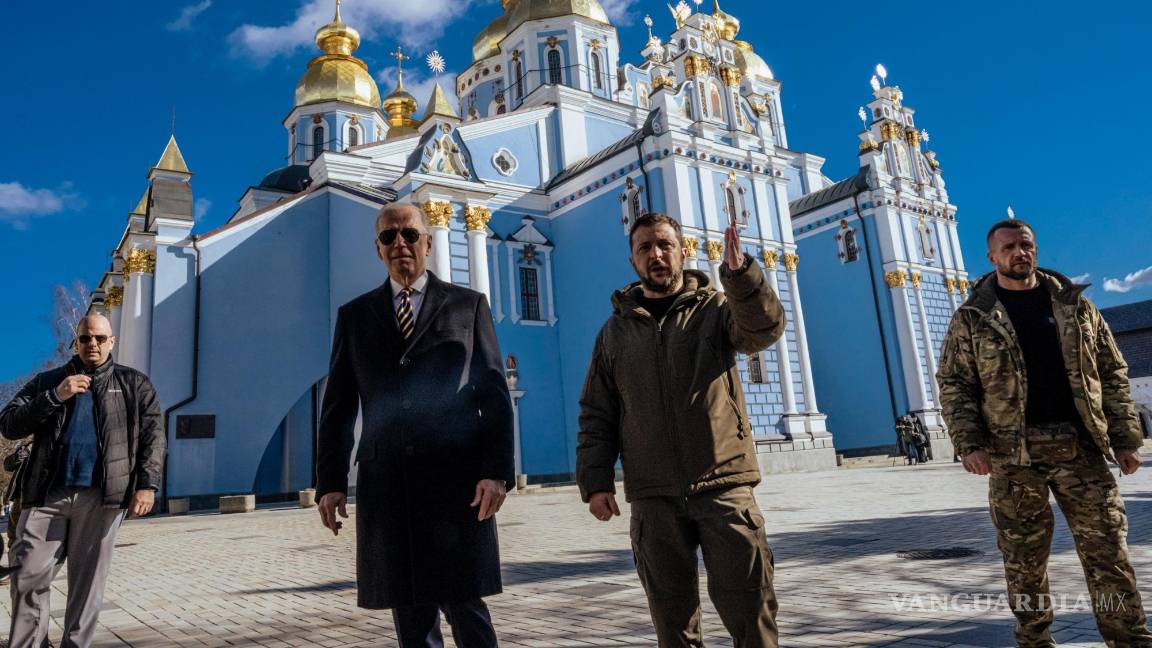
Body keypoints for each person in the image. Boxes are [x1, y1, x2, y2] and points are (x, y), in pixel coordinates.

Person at [937, 218, 1152, 647]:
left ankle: (1129, 639)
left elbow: (1111, 371)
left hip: (1081, 449)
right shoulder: (973, 317)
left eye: (1026, 244)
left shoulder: (1074, 306)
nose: (1020, 252)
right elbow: (955, 383)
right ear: (992, 257)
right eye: (1010, 247)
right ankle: (1035, 641)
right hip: (1013, 456)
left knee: (1108, 552)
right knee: (1024, 562)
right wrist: (970, 443)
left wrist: (1126, 439)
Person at [577, 213, 785, 647]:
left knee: (751, 613)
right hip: (654, 499)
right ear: (633, 260)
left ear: (682, 251)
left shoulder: (715, 311)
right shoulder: (614, 333)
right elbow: (598, 412)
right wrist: (596, 482)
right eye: (645, 248)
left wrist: (740, 276)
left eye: (665, 245)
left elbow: (763, 328)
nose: (656, 254)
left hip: (723, 488)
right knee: (672, 624)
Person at [315, 203, 514, 648]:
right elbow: (339, 405)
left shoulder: (468, 306)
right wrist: (329, 481)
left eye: (409, 235)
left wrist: (496, 471)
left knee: (466, 604)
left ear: (428, 243)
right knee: (410, 612)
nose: (400, 244)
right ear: (378, 249)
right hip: (389, 484)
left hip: (457, 484)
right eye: (389, 237)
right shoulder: (355, 316)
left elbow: (494, 396)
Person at [0, 314, 165, 648]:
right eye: (86, 338)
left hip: (103, 497)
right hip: (47, 495)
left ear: (111, 341)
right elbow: (8, 424)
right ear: (75, 342)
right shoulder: (49, 381)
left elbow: (153, 437)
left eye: (100, 339)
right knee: (28, 574)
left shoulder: (134, 383)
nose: (93, 344)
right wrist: (54, 396)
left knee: (87, 584)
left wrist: (147, 485)